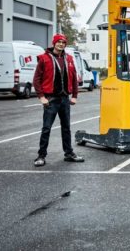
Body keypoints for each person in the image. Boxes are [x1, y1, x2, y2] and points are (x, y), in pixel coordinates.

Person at [33, 34, 84, 167]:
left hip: (64, 99)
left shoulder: (69, 59)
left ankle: (69, 154)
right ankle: (41, 156)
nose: (61, 44)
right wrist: (41, 97)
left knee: (66, 128)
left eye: (63, 42)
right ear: (54, 43)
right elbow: (36, 80)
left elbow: (74, 79)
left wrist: (74, 96)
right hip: (51, 99)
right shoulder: (44, 59)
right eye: (59, 42)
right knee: (46, 128)